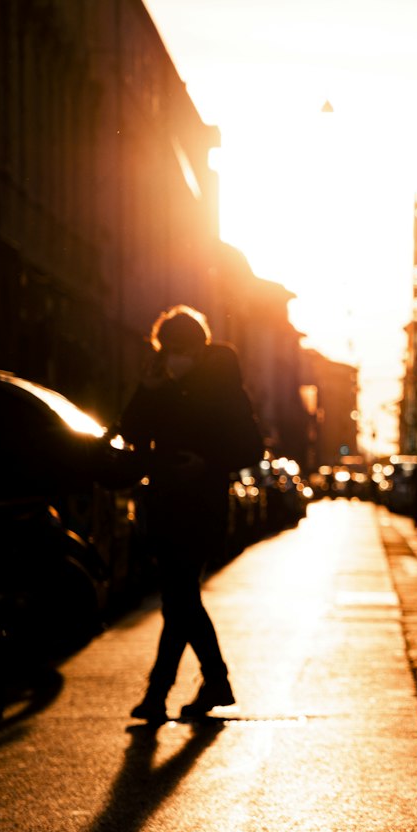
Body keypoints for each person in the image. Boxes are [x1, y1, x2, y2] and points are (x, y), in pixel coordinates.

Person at [118, 305, 262, 724]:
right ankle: (211, 683)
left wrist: (207, 462)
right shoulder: (161, 387)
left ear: (198, 349)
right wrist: (146, 388)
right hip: (163, 505)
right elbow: (131, 433)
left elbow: (252, 448)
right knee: (179, 601)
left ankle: (161, 693)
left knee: (179, 597)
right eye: (166, 349)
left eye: (179, 349)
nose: (172, 357)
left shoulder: (223, 389)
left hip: (200, 507)